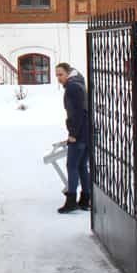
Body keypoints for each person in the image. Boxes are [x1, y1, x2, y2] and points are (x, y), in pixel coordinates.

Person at [54, 62, 91, 213]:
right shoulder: (79, 82)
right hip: (87, 132)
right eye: (56, 75)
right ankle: (85, 199)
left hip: (79, 134)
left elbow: (76, 113)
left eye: (60, 74)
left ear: (68, 73)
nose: (58, 78)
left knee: (72, 166)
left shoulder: (72, 87)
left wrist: (73, 134)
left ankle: (71, 201)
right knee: (82, 166)